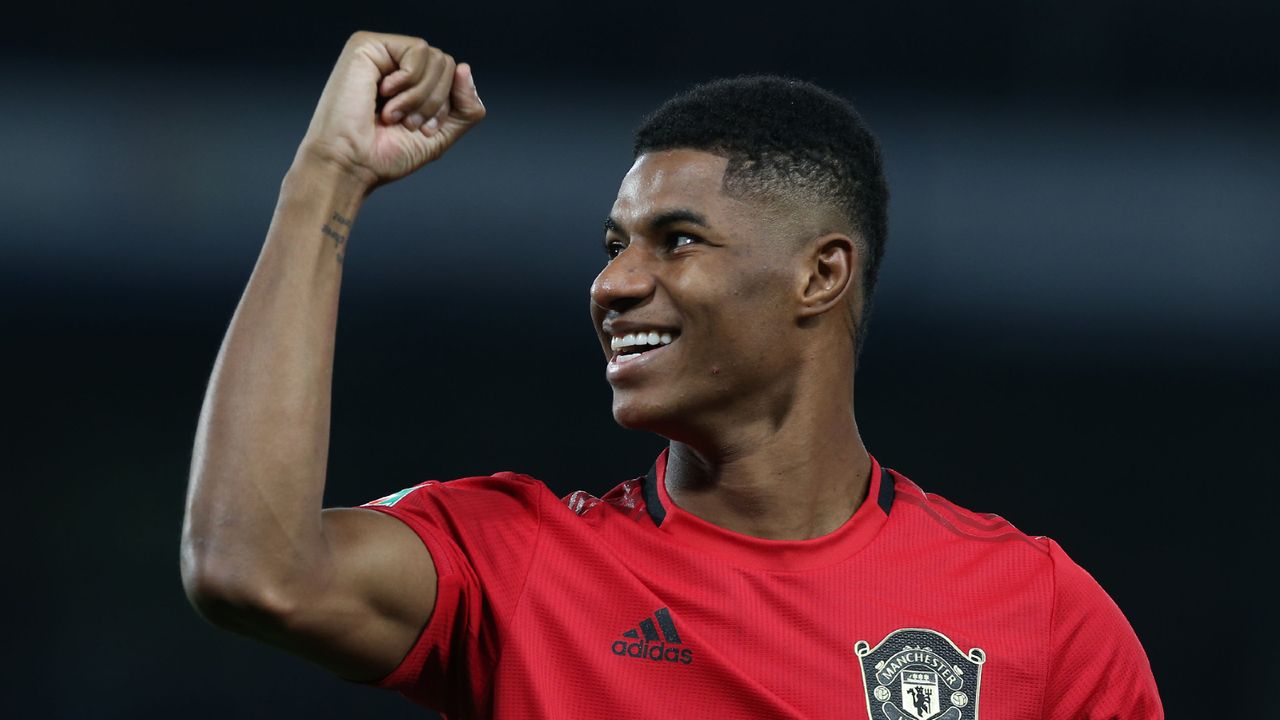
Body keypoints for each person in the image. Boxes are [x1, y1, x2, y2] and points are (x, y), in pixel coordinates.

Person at [180, 30, 1163, 720]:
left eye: (674, 240)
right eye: (612, 245)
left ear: (819, 274)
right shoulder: (524, 569)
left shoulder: (1034, 613)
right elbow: (249, 571)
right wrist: (325, 174)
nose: (613, 283)